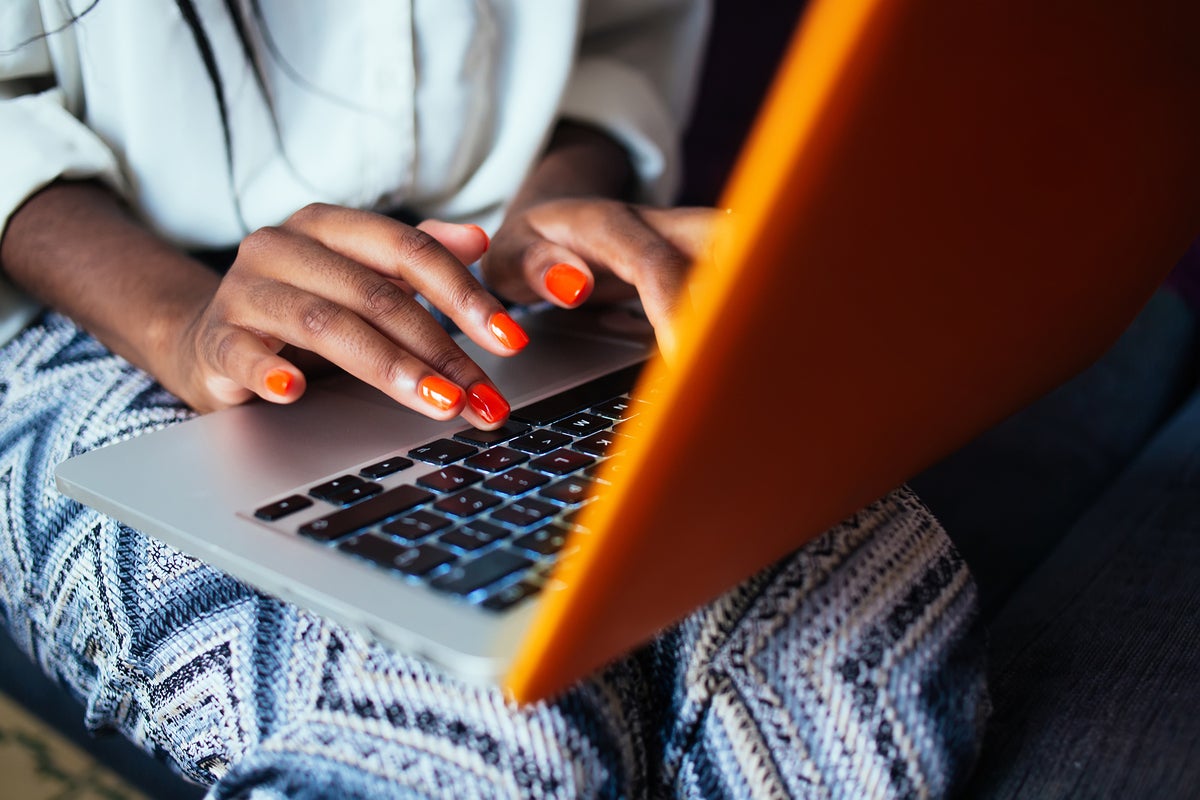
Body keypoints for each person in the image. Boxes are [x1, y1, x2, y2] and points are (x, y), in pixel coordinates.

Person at [0, 1, 987, 796]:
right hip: (104, 304)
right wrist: (182, 323)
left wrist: (537, 228)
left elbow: (615, 40)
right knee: (466, 745)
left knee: (848, 681)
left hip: (483, 293)